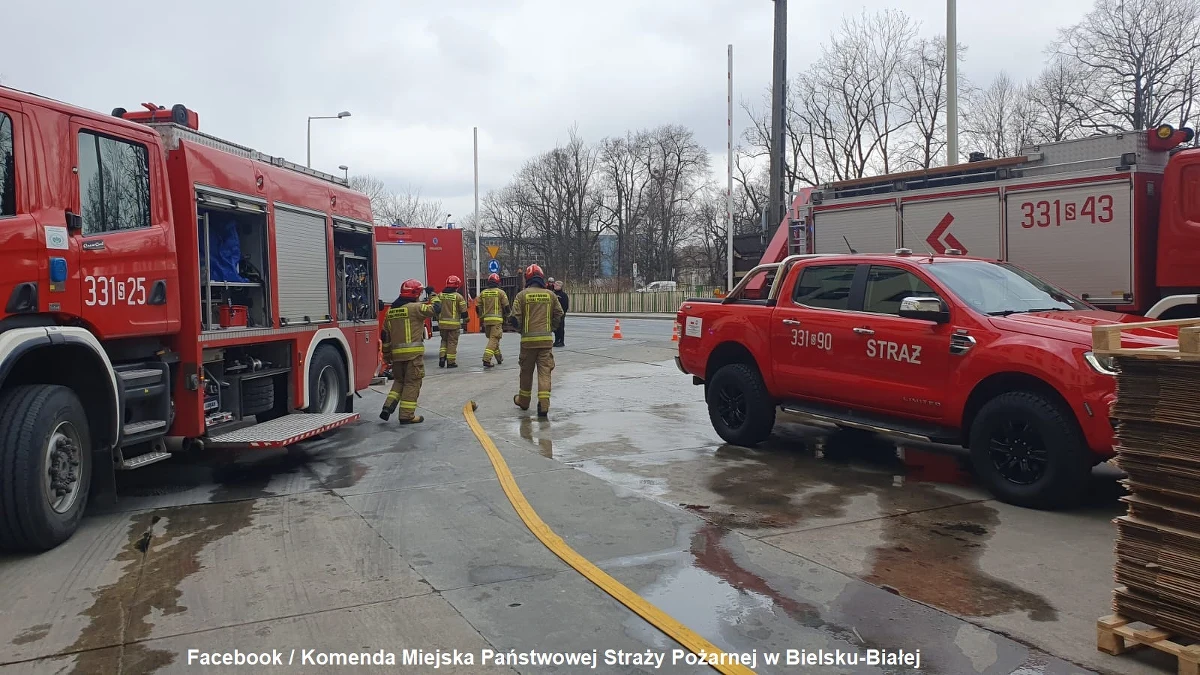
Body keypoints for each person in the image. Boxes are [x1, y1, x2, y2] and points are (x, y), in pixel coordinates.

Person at [380, 279, 441, 424]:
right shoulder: (415, 308)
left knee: (399, 381)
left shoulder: (391, 311)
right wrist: (432, 294)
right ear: (415, 294)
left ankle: (387, 407)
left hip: (396, 356)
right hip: (413, 356)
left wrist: (387, 355)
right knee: (412, 383)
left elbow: (385, 335)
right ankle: (406, 415)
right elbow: (436, 308)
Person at [509, 264, 563, 418]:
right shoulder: (551, 295)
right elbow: (559, 314)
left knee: (526, 372)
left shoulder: (522, 295)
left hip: (528, 342)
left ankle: (524, 402)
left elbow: (515, 319)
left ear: (528, 278)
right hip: (546, 341)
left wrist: (521, 330)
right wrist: (551, 328)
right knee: (545, 372)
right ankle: (544, 404)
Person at [478, 273, 510, 368]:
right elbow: (506, 307)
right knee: (494, 339)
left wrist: (481, 317)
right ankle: (486, 359)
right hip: (497, 320)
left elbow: (478, 307)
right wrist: (509, 316)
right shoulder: (501, 293)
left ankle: (499, 357)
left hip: (487, 320)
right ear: (498, 282)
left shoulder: (483, 293)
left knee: (493, 339)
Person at [436, 275, 468, 368]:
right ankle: (451, 362)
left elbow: (436, 308)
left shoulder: (440, 295)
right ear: (457, 285)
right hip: (453, 325)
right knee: (452, 342)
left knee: (444, 340)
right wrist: (467, 319)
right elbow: (464, 312)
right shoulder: (458, 297)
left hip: (442, 324)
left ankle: (442, 357)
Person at [552, 280, 569, 347]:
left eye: (557, 285)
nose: (555, 286)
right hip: (553, 314)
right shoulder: (553, 294)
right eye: (555, 284)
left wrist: (562, 313)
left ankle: (561, 341)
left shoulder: (563, 295)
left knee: (560, 328)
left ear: (560, 286)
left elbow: (565, 305)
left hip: (560, 314)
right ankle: (557, 340)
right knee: (555, 328)